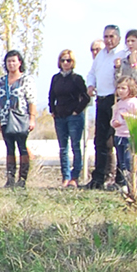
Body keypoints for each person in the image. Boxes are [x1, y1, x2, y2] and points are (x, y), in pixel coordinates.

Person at [84, 25, 127, 190]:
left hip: (115, 100)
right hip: (101, 100)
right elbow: (91, 73)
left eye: (112, 37)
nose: (109, 40)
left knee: (116, 140)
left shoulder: (122, 54)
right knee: (100, 140)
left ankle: (117, 178)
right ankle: (99, 178)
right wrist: (90, 85)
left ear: (118, 38)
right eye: (106, 37)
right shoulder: (101, 55)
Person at [0, 50, 38, 188]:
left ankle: (22, 179)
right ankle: (10, 179)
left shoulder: (26, 80)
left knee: (22, 147)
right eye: (8, 61)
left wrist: (32, 118)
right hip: (6, 118)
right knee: (9, 148)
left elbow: (32, 100)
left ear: (19, 62)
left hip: (21, 118)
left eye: (14, 61)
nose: (11, 64)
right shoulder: (2, 81)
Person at [49, 49, 89, 188]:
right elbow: (52, 96)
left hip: (74, 118)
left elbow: (86, 97)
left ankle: (75, 176)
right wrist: (52, 110)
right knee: (63, 148)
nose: (65, 63)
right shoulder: (56, 78)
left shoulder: (77, 79)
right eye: (63, 60)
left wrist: (77, 111)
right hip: (60, 117)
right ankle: (65, 177)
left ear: (73, 63)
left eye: (68, 60)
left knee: (75, 147)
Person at [110, 76, 137, 190]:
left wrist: (129, 117)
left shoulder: (133, 102)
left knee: (129, 162)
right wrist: (114, 123)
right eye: (118, 88)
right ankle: (124, 184)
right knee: (121, 162)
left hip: (129, 135)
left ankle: (133, 184)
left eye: (123, 88)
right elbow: (113, 119)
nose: (120, 91)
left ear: (130, 89)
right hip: (119, 135)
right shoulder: (118, 103)